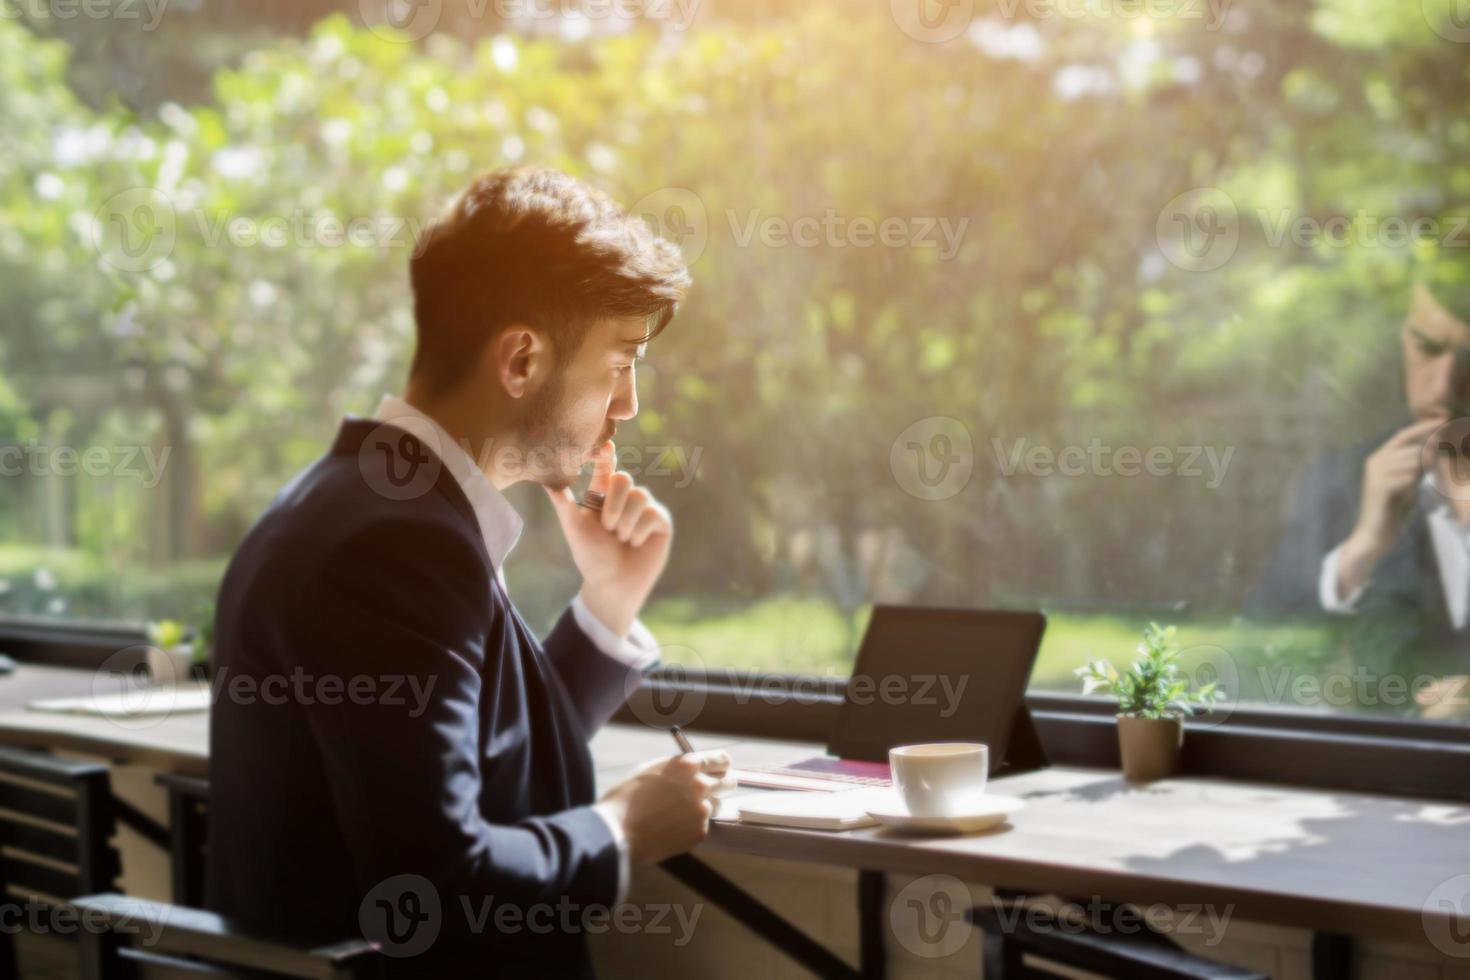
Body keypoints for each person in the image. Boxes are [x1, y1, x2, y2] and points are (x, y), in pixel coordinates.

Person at [207, 167, 729, 977]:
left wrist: (608, 606)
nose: (627, 404)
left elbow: (462, 763)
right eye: (621, 359)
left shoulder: (352, 502)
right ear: (521, 360)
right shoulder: (399, 545)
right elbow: (435, 880)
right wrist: (621, 826)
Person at [1248, 251, 1470, 706]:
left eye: (1469, 359)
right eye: (1428, 349)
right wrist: (1363, 546)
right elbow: (1258, 649)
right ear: (1403, 343)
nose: (1443, 386)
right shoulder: (1337, 483)